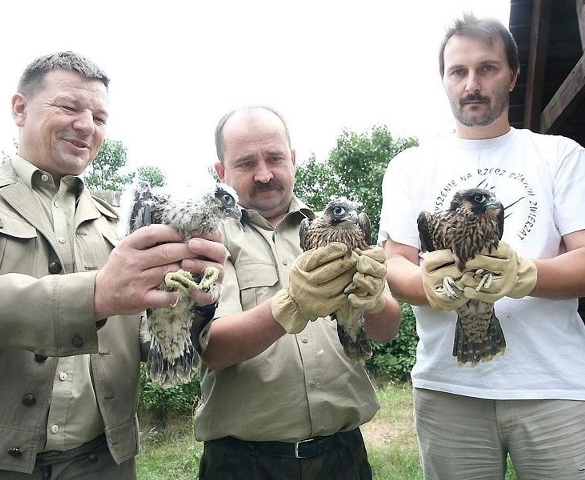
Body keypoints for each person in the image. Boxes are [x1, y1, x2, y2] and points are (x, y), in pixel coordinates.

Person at [0, 51, 226, 479]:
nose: (86, 125)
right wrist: (96, 295)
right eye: (69, 107)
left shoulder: (123, 221)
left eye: (99, 116)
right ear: (20, 108)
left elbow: (151, 339)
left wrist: (196, 303)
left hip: (102, 462)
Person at [378, 13, 585, 480]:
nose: (472, 83)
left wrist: (527, 275)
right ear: (445, 81)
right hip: (448, 389)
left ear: (513, 75)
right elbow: (395, 264)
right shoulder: (410, 166)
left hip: (554, 386)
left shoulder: (560, 155)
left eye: (487, 68)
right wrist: (427, 286)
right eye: (459, 71)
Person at [192, 105, 402, 480]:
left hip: (343, 455)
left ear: (293, 158)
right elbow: (212, 348)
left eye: (274, 157)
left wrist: (373, 300)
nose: (264, 173)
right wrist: (291, 304)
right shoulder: (206, 238)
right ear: (221, 172)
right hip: (244, 463)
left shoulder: (337, 226)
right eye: (245, 163)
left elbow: (387, 329)